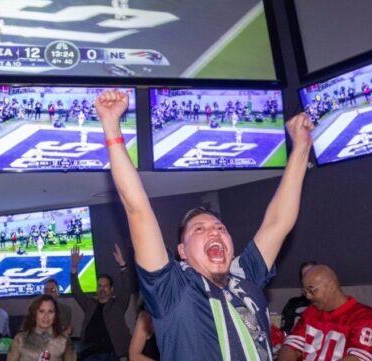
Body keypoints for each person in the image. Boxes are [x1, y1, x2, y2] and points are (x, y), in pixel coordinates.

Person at [93, 90, 312, 361]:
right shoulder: (172, 289)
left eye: (220, 228)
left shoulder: (245, 275)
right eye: (199, 229)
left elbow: (278, 222)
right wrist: (111, 126)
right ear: (182, 252)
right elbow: (136, 208)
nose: (214, 231)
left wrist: (301, 147)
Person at [278, 265, 372, 361]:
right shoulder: (310, 313)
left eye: (312, 290)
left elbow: (358, 358)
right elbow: (291, 347)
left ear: (331, 286)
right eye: (305, 291)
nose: (308, 296)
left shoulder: (366, 318)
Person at [70, 243, 132, 361]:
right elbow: (76, 291)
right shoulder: (90, 305)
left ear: (111, 289)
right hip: (88, 353)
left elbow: (126, 289)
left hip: (110, 354)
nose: (102, 288)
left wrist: (122, 264)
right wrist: (74, 266)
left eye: (105, 286)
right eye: (99, 286)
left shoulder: (118, 305)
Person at [7, 295, 75, 361]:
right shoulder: (20, 339)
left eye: (50, 311)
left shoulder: (64, 340)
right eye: (41, 311)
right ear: (34, 314)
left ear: (55, 315)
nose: (46, 316)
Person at [279, 261, 317, 334]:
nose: (310, 277)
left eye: (313, 273)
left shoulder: (330, 304)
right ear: (302, 281)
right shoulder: (294, 304)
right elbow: (284, 332)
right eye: (306, 275)